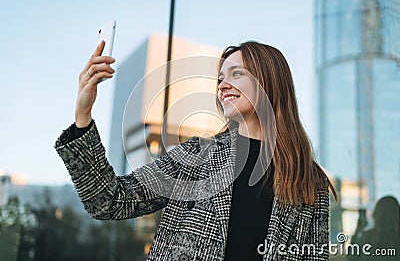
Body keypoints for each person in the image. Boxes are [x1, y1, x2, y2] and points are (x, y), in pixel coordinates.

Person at [54, 40, 337, 260]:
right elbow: (109, 200)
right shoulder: (197, 156)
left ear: (269, 83)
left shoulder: (309, 181)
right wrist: (83, 116)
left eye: (236, 74)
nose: (223, 85)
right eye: (220, 78)